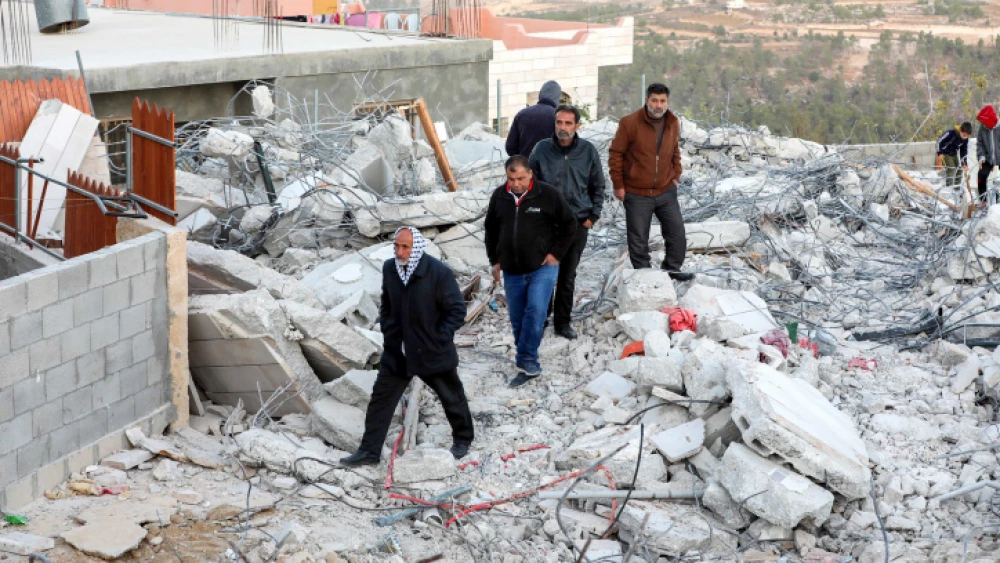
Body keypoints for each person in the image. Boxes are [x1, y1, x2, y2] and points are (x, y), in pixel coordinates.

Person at [340, 227, 474, 466]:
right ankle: (369, 451)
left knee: (451, 396)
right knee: (381, 400)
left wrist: (438, 337)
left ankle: (463, 439)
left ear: (417, 249)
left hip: (430, 351)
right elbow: (387, 303)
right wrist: (389, 329)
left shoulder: (438, 272)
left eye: (406, 247)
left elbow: (456, 310)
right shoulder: (390, 268)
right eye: (397, 246)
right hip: (398, 352)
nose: (400, 252)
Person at [485, 155, 577, 387]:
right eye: (511, 179)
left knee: (536, 311)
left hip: (542, 268)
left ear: (530, 174)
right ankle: (526, 359)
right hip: (512, 270)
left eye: (520, 179)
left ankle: (527, 360)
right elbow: (490, 230)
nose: (516, 184)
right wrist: (494, 261)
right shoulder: (499, 196)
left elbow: (570, 223)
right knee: (518, 319)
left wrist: (556, 254)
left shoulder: (548, 194)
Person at [528, 104, 606, 340]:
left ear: (577, 126)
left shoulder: (587, 151)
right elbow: (529, 186)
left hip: (576, 224)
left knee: (567, 276)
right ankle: (541, 319)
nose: (563, 127)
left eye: (568, 123)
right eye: (559, 122)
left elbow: (598, 185)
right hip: (547, 225)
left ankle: (562, 323)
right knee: (544, 274)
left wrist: (592, 217)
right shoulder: (541, 149)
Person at [608, 83, 693, 281]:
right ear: (647, 100)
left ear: (667, 102)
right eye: (654, 100)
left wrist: (676, 174)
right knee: (638, 239)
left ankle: (672, 269)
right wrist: (618, 185)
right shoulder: (629, 123)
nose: (658, 105)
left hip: (665, 190)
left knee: (676, 233)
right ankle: (645, 276)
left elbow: (674, 149)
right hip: (637, 192)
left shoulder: (672, 122)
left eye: (662, 101)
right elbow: (616, 154)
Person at [505, 81, 561, 158]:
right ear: (557, 97)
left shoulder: (522, 114)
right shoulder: (559, 117)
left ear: (541, 94)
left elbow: (510, 147)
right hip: (551, 164)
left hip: (526, 163)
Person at [936, 122, 972, 189]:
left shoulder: (965, 140)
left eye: (967, 136)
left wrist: (964, 163)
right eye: (964, 135)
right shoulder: (950, 133)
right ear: (960, 130)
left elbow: (963, 151)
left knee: (959, 169)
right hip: (945, 153)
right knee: (952, 169)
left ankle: (956, 188)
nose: (965, 137)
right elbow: (939, 142)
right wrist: (939, 153)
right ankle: (949, 188)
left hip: (954, 154)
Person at [977, 105, 1000, 204]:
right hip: (987, 157)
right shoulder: (982, 128)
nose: (983, 124)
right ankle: (983, 200)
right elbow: (980, 143)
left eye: (985, 122)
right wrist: (981, 156)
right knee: (981, 175)